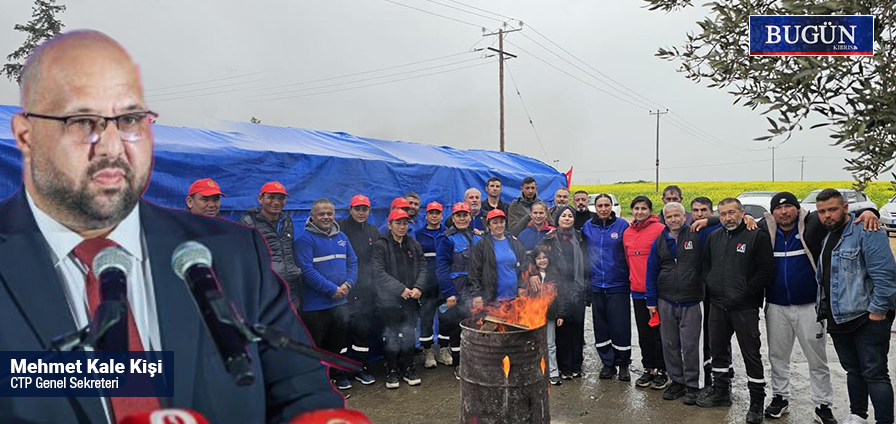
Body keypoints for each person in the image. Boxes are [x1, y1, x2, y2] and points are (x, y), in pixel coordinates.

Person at [0, 30, 341, 422]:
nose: (113, 146)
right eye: (81, 120)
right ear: (26, 135)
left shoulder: (233, 255)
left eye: (129, 119)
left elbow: (299, 390)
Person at [815, 188, 895, 424]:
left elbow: (886, 276)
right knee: (853, 371)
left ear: (846, 208)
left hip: (867, 317)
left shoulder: (867, 230)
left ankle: (884, 421)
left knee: (876, 374)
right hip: (839, 317)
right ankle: (858, 415)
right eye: (822, 211)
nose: (827, 215)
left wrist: (878, 312)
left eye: (832, 209)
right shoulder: (827, 236)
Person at [697, 198, 775, 424]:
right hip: (718, 306)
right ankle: (721, 392)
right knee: (718, 351)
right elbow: (706, 266)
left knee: (751, 354)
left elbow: (766, 271)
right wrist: (710, 285)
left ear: (742, 213)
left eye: (732, 213)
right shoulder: (714, 237)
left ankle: (756, 402)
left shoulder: (756, 236)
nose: (727, 218)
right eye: (722, 214)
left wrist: (745, 292)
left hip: (745, 307)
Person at [645, 202, 714, 405]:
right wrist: (651, 301)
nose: (673, 220)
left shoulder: (697, 233)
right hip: (665, 300)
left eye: (677, 215)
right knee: (670, 344)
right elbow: (651, 271)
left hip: (692, 299)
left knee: (691, 345)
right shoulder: (659, 241)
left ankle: (694, 384)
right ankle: (677, 381)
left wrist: (707, 219)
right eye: (669, 217)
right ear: (664, 219)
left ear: (685, 217)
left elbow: (724, 223)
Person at [294, 199, 359, 391]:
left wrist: (348, 284)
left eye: (329, 213)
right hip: (315, 306)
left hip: (340, 303)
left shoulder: (342, 237)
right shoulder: (304, 240)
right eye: (321, 213)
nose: (326, 217)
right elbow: (306, 270)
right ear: (312, 216)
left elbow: (353, 263)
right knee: (316, 347)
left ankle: (334, 377)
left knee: (336, 344)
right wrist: (332, 290)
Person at [371, 209, 428, 389]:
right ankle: (392, 370)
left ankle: (409, 368)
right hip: (389, 301)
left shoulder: (413, 243)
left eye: (405, 223)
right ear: (390, 225)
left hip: (411, 300)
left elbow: (423, 266)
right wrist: (400, 289)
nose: (402, 227)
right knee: (391, 334)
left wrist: (418, 287)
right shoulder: (381, 245)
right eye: (398, 223)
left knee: (409, 334)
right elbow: (378, 272)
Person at [582, 194, 631, 381]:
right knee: (601, 326)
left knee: (620, 326)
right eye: (600, 205)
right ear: (595, 207)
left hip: (617, 283)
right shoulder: (588, 227)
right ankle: (608, 363)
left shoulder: (622, 226)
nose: (603, 209)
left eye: (607, 205)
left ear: (612, 207)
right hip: (596, 284)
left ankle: (623, 363)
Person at [622, 196, 668, 390]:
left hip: (657, 292)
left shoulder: (660, 230)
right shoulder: (627, 232)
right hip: (637, 291)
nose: (640, 212)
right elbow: (627, 260)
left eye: (643, 208)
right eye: (636, 208)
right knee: (643, 333)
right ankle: (648, 367)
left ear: (650, 210)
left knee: (659, 333)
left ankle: (662, 370)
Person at [336, 194, 380, 386]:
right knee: (341, 332)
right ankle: (340, 373)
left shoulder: (373, 231)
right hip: (343, 290)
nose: (361, 213)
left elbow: (378, 261)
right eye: (357, 209)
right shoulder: (339, 228)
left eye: (365, 209)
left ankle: (361, 368)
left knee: (362, 332)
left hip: (365, 291)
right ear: (350, 210)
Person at [540, 206, 587, 380]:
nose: (567, 218)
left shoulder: (580, 237)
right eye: (563, 216)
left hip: (577, 288)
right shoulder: (550, 238)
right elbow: (539, 259)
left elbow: (587, 261)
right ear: (557, 218)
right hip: (558, 290)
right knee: (562, 329)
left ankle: (577, 366)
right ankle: (564, 367)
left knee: (577, 328)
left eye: (570, 216)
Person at [435, 202, 483, 373]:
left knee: (474, 327)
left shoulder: (478, 238)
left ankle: (473, 362)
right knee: (456, 329)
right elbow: (442, 268)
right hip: (456, 293)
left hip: (474, 293)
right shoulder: (447, 239)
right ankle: (459, 365)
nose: (462, 218)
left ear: (470, 217)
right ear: (453, 218)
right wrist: (449, 293)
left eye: (465, 215)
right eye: (458, 215)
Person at [238, 181, 302, 306]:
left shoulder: (286, 221)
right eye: (271, 197)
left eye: (281, 198)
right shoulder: (247, 223)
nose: (276, 202)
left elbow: (288, 252)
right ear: (260, 199)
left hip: (290, 294)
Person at [468, 209, 527, 309]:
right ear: (489, 225)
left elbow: (523, 265)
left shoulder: (514, 242)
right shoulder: (482, 245)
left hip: (514, 298)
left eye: (501, 222)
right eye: (495, 222)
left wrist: (522, 286)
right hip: (492, 300)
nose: (499, 225)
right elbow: (474, 271)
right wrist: (476, 295)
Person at [526, 245, 565, 385]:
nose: (542, 261)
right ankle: (534, 372)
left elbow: (560, 296)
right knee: (533, 343)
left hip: (549, 314)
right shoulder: (530, 275)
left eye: (544, 257)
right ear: (534, 261)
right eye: (539, 258)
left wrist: (560, 313)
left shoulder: (555, 274)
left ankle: (553, 372)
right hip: (533, 315)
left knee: (550, 343)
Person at [415, 201, 446, 369]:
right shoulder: (418, 235)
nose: (434, 215)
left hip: (444, 286)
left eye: (437, 213)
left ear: (442, 215)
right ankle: (428, 351)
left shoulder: (447, 234)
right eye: (431, 213)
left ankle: (443, 349)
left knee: (445, 317)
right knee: (426, 318)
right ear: (426, 215)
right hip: (426, 286)